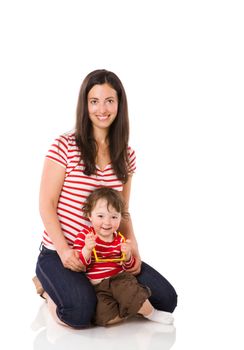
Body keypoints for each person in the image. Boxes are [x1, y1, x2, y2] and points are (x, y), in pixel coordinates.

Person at [34, 69, 177, 329]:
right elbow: (47, 204)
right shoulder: (64, 145)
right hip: (62, 252)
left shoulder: (126, 155)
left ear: (119, 105)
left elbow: (124, 212)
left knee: (166, 299)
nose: (102, 109)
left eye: (109, 101)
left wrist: (133, 249)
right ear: (85, 105)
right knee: (78, 313)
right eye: (94, 101)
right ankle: (46, 286)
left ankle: (100, 292)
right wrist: (65, 251)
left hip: (109, 254)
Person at [73, 187, 174, 327]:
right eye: (101, 216)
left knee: (131, 293)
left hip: (119, 280)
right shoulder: (85, 236)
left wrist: (127, 256)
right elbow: (80, 264)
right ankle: (131, 308)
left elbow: (128, 267)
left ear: (121, 217)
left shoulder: (120, 239)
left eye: (114, 217)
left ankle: (151, 313)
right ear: (90, 215)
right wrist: (87, 249)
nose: (107, 222)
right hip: (97, 287)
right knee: (104, 317)